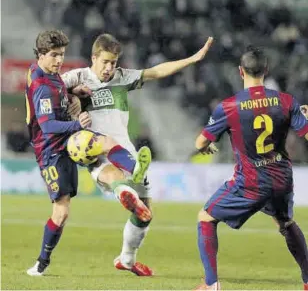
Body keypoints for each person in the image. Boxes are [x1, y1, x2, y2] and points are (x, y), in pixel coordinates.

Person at [61, 33, 214, 276]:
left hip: (127, 151)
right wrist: (72, 99)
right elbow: (50, 88)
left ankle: (127, 259)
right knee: (114, 178)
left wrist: (191, 59)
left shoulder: (122, 77)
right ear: (94, 58)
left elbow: (155, 72)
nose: (109, 68)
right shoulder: (77, 77)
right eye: (105, 62)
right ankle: (124, 191)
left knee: (145, 214)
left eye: (114, 62)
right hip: (93, 149)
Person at [26, 30, 152, 277]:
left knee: (106, 141)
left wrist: (73, 94)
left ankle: (134, 168)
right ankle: (41, 263)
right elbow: (48, 126)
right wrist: (77, 124)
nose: (59, 61)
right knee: (61, 213)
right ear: (41, 55)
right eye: (53, 55)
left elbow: (59, 94)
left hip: (68, 139)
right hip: (52, 150)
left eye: (61, 54)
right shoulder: (42, 86)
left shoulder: (45, 73)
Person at [194, 46, 308, 290]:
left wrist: (208, 145)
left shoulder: (229, 106)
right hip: (282, 179)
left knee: (206, 217)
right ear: (266, 70)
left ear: (240, 72)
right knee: (285, 222)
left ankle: (211, 284)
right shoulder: (286, 101)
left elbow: (201, 142)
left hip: (251, 182)